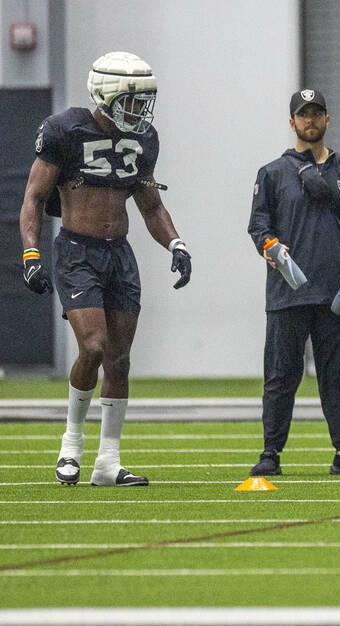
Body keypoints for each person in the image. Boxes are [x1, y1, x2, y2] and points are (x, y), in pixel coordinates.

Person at [19, 51, 192, 487]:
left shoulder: (144, 139)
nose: (141, 110)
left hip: (120, 254)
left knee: (118, 359)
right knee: (93, 347)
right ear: (106, 95)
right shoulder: (65, 130)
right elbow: (34, 198)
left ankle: (107, 464)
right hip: (77, 251)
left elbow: (150, 204)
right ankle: (70, 447)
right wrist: (31, 253)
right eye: (133, 100)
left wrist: (176, 243)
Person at [246, 88, 340, 477]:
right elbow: (258, 226)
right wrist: (269, 247)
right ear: (292, 122)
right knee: (281, 376)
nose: (310, 120)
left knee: (336, 377)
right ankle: (271, 453)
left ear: (327, 119)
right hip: (288, 293)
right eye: (303, 115)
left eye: (317, 113)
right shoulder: (271, 173)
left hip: (336, 293)